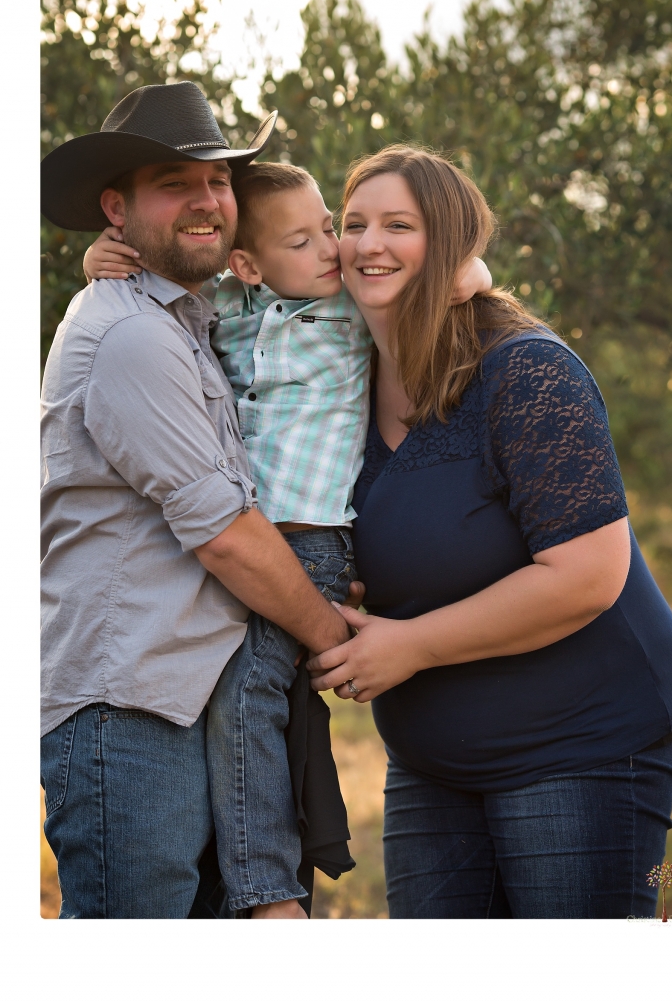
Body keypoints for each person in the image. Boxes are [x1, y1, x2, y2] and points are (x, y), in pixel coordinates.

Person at [83, 159, 492, 918]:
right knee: (241, 697)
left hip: (309, 544)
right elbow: (176, 280)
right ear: (249, 264)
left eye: (329, 229)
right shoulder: (232, 309)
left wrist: (466, 265)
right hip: (250, 553)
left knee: (248, 697)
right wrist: (97, 260)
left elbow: (442, 277)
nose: (332, 250)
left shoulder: (352, 315)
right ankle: (263, 867)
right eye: (303, 241)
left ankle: (269, 889)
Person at [307, 145, 672, 920]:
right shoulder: (337, 373)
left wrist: (408, 644)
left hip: (582, 742)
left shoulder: (526, 374)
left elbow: (587, 574)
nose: (369, 243)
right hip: (433, 758)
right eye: (353, 224)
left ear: (451, 249)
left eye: (399, 225)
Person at [39, 81, 353, 919]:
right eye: (175, 183)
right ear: (118, 207)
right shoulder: (135, 335)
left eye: (217, 180)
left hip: (188, 698)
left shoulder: (193, 320)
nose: (208, 199)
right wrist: (331, 637)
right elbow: (222, 534)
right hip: (128, 708)